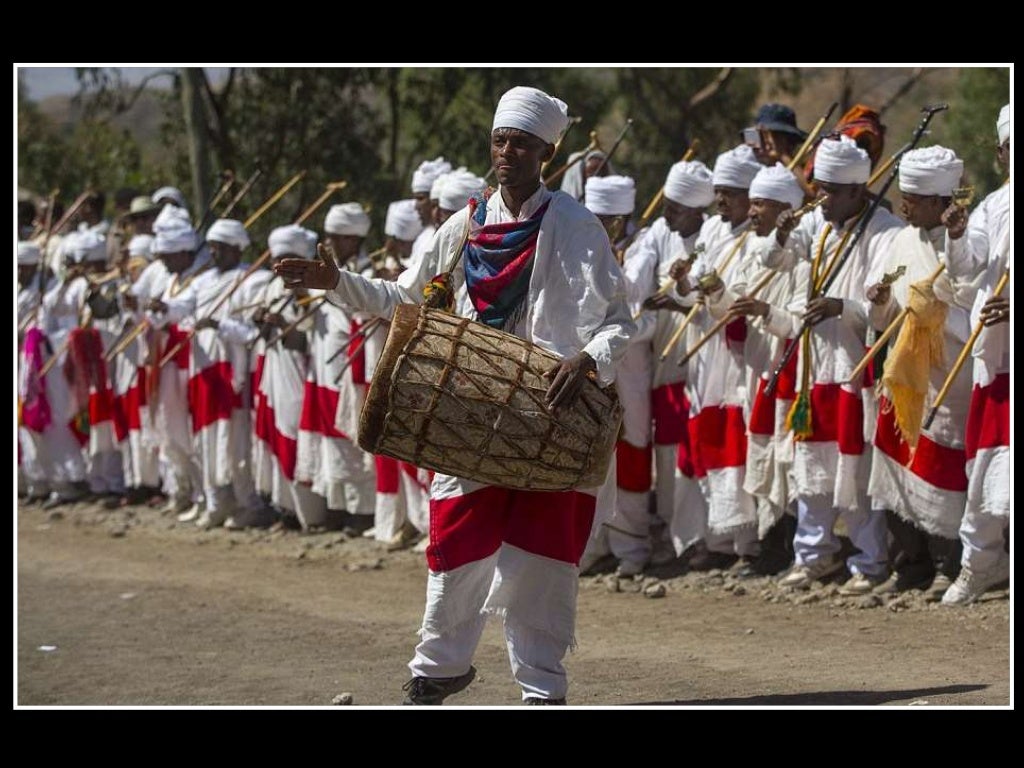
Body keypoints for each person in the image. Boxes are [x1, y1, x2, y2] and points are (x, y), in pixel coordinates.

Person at [275, 85, 633, 705]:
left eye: (522, 142)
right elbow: (404, 300)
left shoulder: (577, 227)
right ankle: (437, 670)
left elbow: (619, 322)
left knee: (540, 560)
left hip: (551, 416)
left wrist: (590, 358)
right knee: (456, 542)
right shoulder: (461, 226)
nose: (508, 151)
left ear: (549, 149)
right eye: (500, 139)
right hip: (468, 414)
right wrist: (335, 282)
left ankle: (542, 689)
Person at [762, 135, 903, 591]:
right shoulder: (819, 224)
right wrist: (782, 232)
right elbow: (774, 259)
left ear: (856, 192)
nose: (817, 197)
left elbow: (890, 309)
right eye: (817, 187)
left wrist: (843, 306)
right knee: (811, 466)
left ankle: (870, 560)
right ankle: (813, 554)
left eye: (827, 190)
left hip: (854, 368)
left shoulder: (884, 231)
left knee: (852, 470)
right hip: (813, 368)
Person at [864, 146, 969, 597]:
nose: (902, 205)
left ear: (939, 203)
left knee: (938, 465)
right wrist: (879, 301)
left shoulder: (965, 241)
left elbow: (975, 306)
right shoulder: (899, 240)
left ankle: (949, 563)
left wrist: (937, 311)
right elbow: (883, 316)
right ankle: (910, 563)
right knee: (893, 461)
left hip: (947, 372)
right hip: (902, 374)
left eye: (912, 198)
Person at [669, 143, 762, 571]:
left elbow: (745, 295)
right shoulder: (710, 231)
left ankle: (747, 544)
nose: (722, 199)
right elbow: (690, 292)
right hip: (705, 352)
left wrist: (719, 292)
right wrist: (684, 282)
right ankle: (716, 539)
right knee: (707, 441)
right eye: (719, 191)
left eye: (732, 192)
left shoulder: (757, 237)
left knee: (736, 441)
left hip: (738, 353)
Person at [713, 162, 808, 578]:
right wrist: (714, 291)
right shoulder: (754, 250)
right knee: (763, 455)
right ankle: (768, 547)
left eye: (759, 205)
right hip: (758, 370)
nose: (750, 212)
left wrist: (766, 311)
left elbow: (799, 320)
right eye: (750, 204)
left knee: (787, 460)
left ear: (785, 210)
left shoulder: (805, 254)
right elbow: (735, 299)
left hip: (789, 372)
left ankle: (788, 548)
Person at [939, 103, 1011, 605]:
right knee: (985, 467)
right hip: (994, 356)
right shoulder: (992, 205)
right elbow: (968, 266)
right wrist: (959, 233)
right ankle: (979, 564)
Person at [637, 161, 714, 562]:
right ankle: (672, 532)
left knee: (697, 451)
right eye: (667, 206)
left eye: (675, 209)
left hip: (701, 364)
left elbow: (712, 299)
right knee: (668, 454)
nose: (667, 215)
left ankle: (702, 537)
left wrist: (679, 302)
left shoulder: (713, 237)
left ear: (698, 211)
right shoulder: (660, 233)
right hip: (665, 363)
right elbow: (638, 274)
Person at [253, 224, 328, 531]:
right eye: (279, 260)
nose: (283, 267)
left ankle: (311, 514)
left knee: (299, 440)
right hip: (276, 375)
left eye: (289, 259)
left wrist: (285, 321)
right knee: (278, 437)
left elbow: (307, 339)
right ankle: (285, 509)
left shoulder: (312, 291)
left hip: (300, 376)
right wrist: (262, 322)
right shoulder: (271, 289)